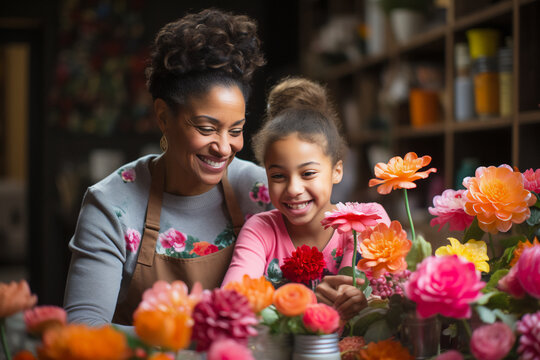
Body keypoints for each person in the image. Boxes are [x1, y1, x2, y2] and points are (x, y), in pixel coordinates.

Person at [63, 8, 269, 326]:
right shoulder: (111, 205)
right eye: (206, 128)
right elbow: (83, 328)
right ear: (163, 117)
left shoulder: (262, 192)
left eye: (236, 129)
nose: (224, 147)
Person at [221, 77, 390, 320]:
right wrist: (306, 303)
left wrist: (359, 296)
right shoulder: (260, 230)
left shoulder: (367, 220)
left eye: (308, 173)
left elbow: (387, 297)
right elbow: (230, 302)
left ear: (336, 171)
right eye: (278, 175)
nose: (293, 189)